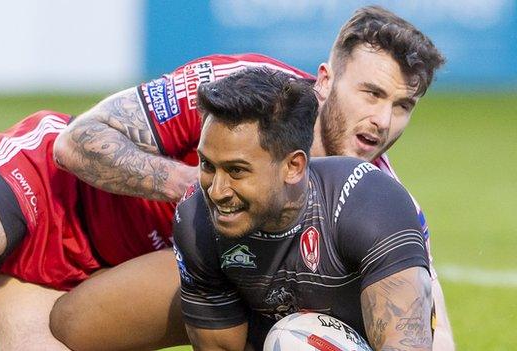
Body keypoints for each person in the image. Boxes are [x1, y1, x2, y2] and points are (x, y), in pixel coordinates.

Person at [0, 6, 451, 351]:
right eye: (371, 93)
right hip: (50, 193)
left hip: (114, 283)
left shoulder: (374, 198)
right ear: (326, 80)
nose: (383, 120)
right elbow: (78, 142)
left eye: (403, 106)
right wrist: (205, 186)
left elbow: (425, 313)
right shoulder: (244, 89)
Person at [174, 65, 433, 350]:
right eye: (208, 165)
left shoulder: (369, 202)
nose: (216, 191)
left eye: (236, 171)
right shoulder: (196, 217)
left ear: (293, 166)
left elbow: (408, 343)